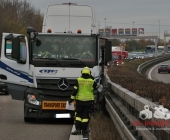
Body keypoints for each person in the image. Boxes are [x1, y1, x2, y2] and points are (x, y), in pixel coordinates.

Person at [69, 67, 98, 135]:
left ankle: (78, 130)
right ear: (89, 73)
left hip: (79, 101)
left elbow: (74, 91)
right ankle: (84, 130)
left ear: (82, 73)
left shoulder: (78, 80)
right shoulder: (92, 81)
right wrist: (92, 78)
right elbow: (97, 87)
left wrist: (71, 99)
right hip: (88, 101)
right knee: (86, 115)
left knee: (78, 115)